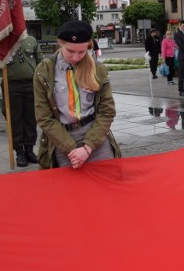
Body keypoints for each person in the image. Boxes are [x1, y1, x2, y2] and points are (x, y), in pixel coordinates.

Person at [33, 20, 121, 169]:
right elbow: (44, 117)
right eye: (70, 51)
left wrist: (88, 147)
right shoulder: (44, 71)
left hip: (96, 136)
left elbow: (107, 111)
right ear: (60, 43)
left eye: (82, 52)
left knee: (107, 184)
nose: (75, 57)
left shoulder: (97, 69)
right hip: (63, 139)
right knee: (71, 189)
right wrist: (71, 148)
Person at [0, 35, 42, 167]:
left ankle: (29, 150)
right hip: (11, 84)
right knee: (15, 119)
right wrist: (0, 60)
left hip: (31, 84)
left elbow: (40, 62)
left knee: (31, 118)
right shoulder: (2, 42)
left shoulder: (31, 40)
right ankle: (19, 152)